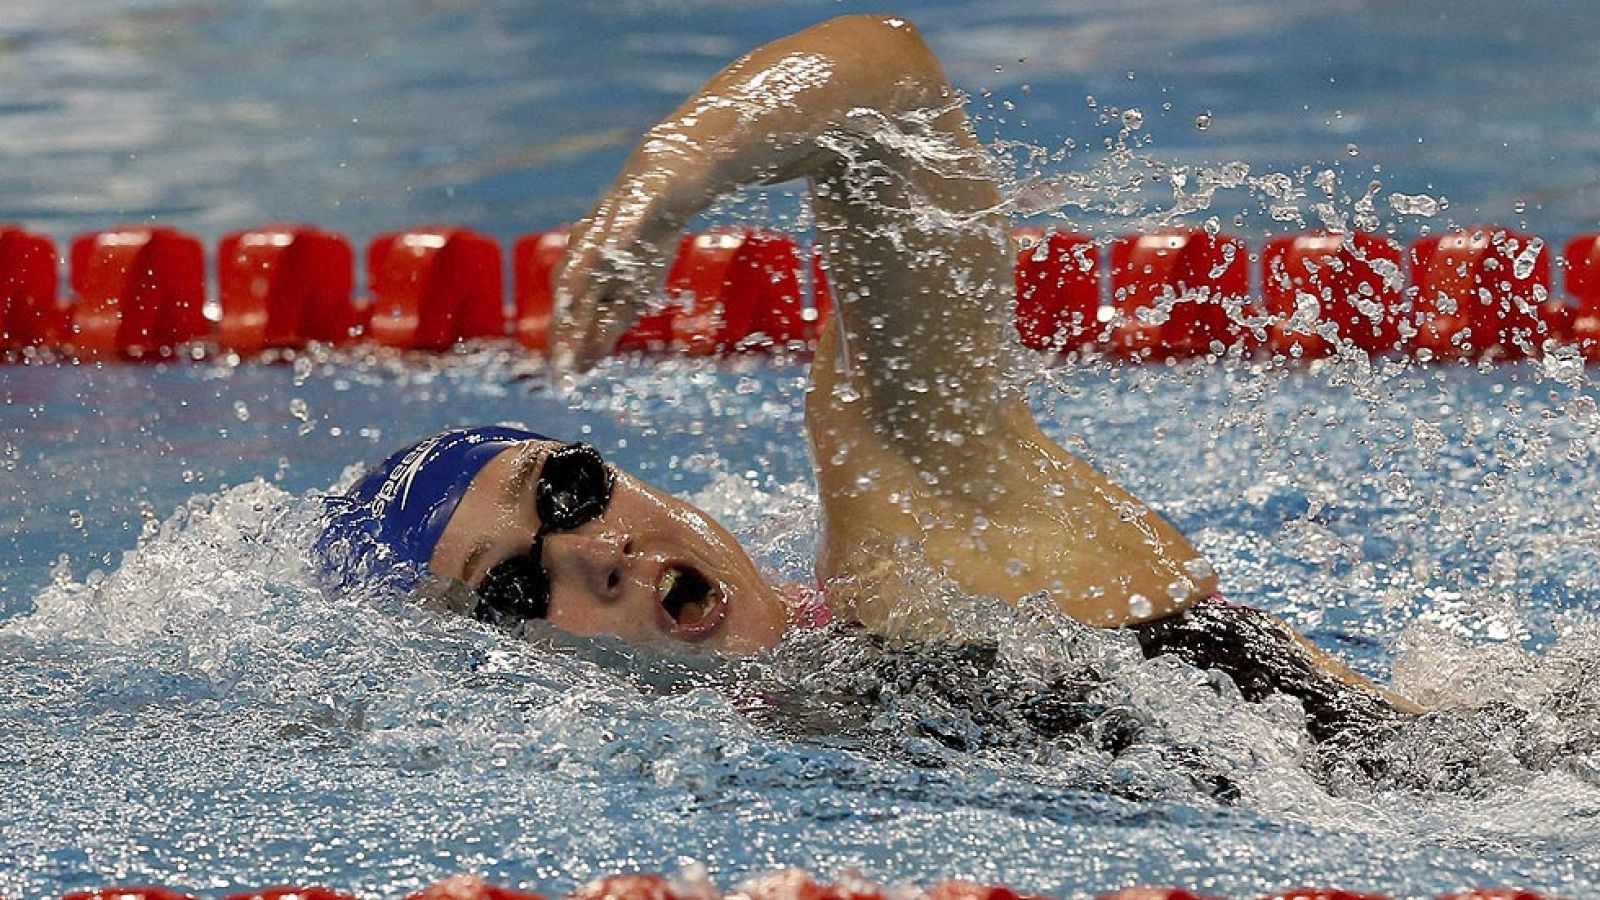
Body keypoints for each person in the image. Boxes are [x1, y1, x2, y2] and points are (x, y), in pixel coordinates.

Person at [316, 15, 1419, 742]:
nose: (598, 551)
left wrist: (664, 180)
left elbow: (886, 83)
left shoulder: (914, 528)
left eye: (564, 492)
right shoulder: (758, 758)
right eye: (514, 589)